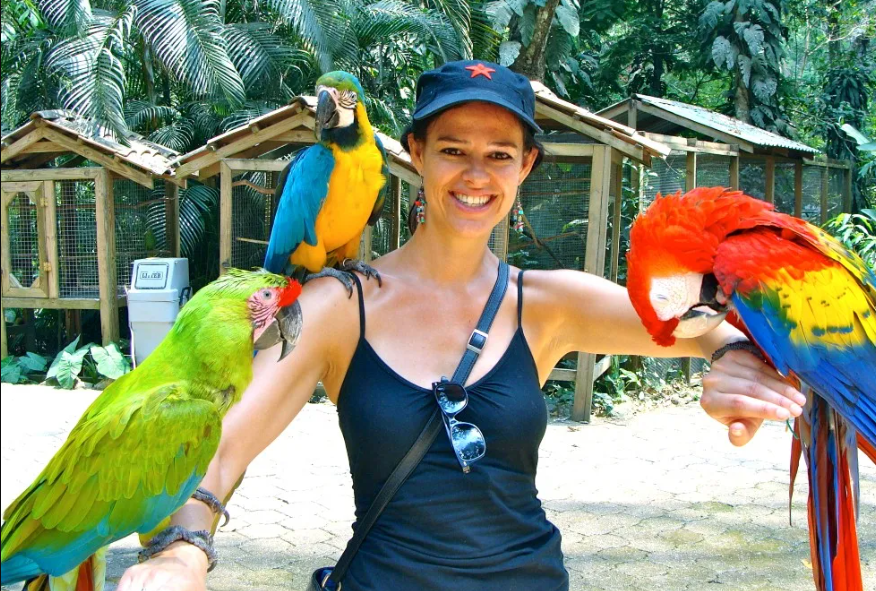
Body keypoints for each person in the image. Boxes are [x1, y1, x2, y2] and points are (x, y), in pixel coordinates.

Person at [117, 61, 806, 591]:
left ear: (525, 166)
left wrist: (729, 355)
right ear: (414, 152)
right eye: (452, 148)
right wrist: (184, 546)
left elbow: (692, 322)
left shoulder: (546, 301)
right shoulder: (336, 305)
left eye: (500, 153)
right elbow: (221, 444)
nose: (475, 173)